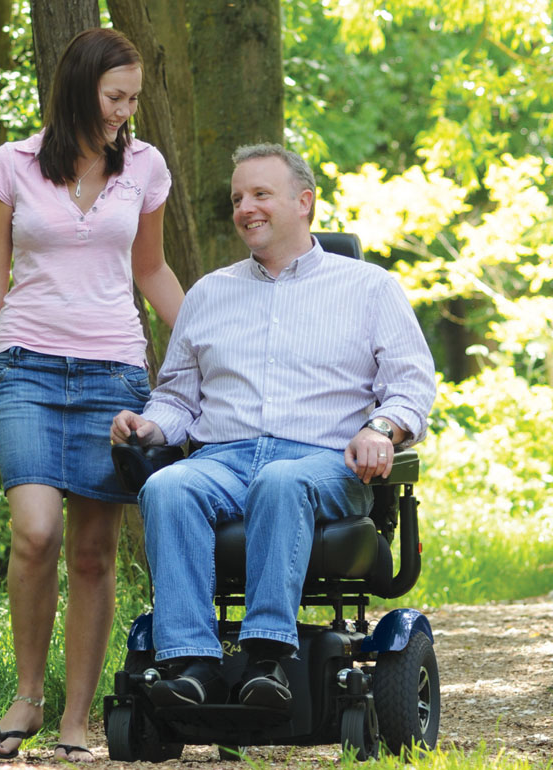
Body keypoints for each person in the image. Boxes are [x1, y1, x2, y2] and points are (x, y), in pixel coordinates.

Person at [111, 143, 435, 710]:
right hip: (224, 459)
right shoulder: (210, 293)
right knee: (167, 485)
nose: (246, 208)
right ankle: (192, 666)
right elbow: (179, 398)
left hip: (325, 461)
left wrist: (380, 428)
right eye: (238, 198)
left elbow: (412, 387)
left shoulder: (369, 288)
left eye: (261, 194)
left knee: (281, 480)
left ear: (304, 202)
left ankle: (269, 660)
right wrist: (149, 425)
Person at [0, 28, 184, 762]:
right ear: (81, 88)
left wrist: (218, 340)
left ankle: (76, 720)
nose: (125, 110)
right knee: (37, 532)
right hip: (26, 370)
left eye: (134, 98)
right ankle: (27, 696)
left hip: (115, 374)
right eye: (116, 96)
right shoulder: (12, 165)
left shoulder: (145, 166)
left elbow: (152, 271)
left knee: (91, 552)